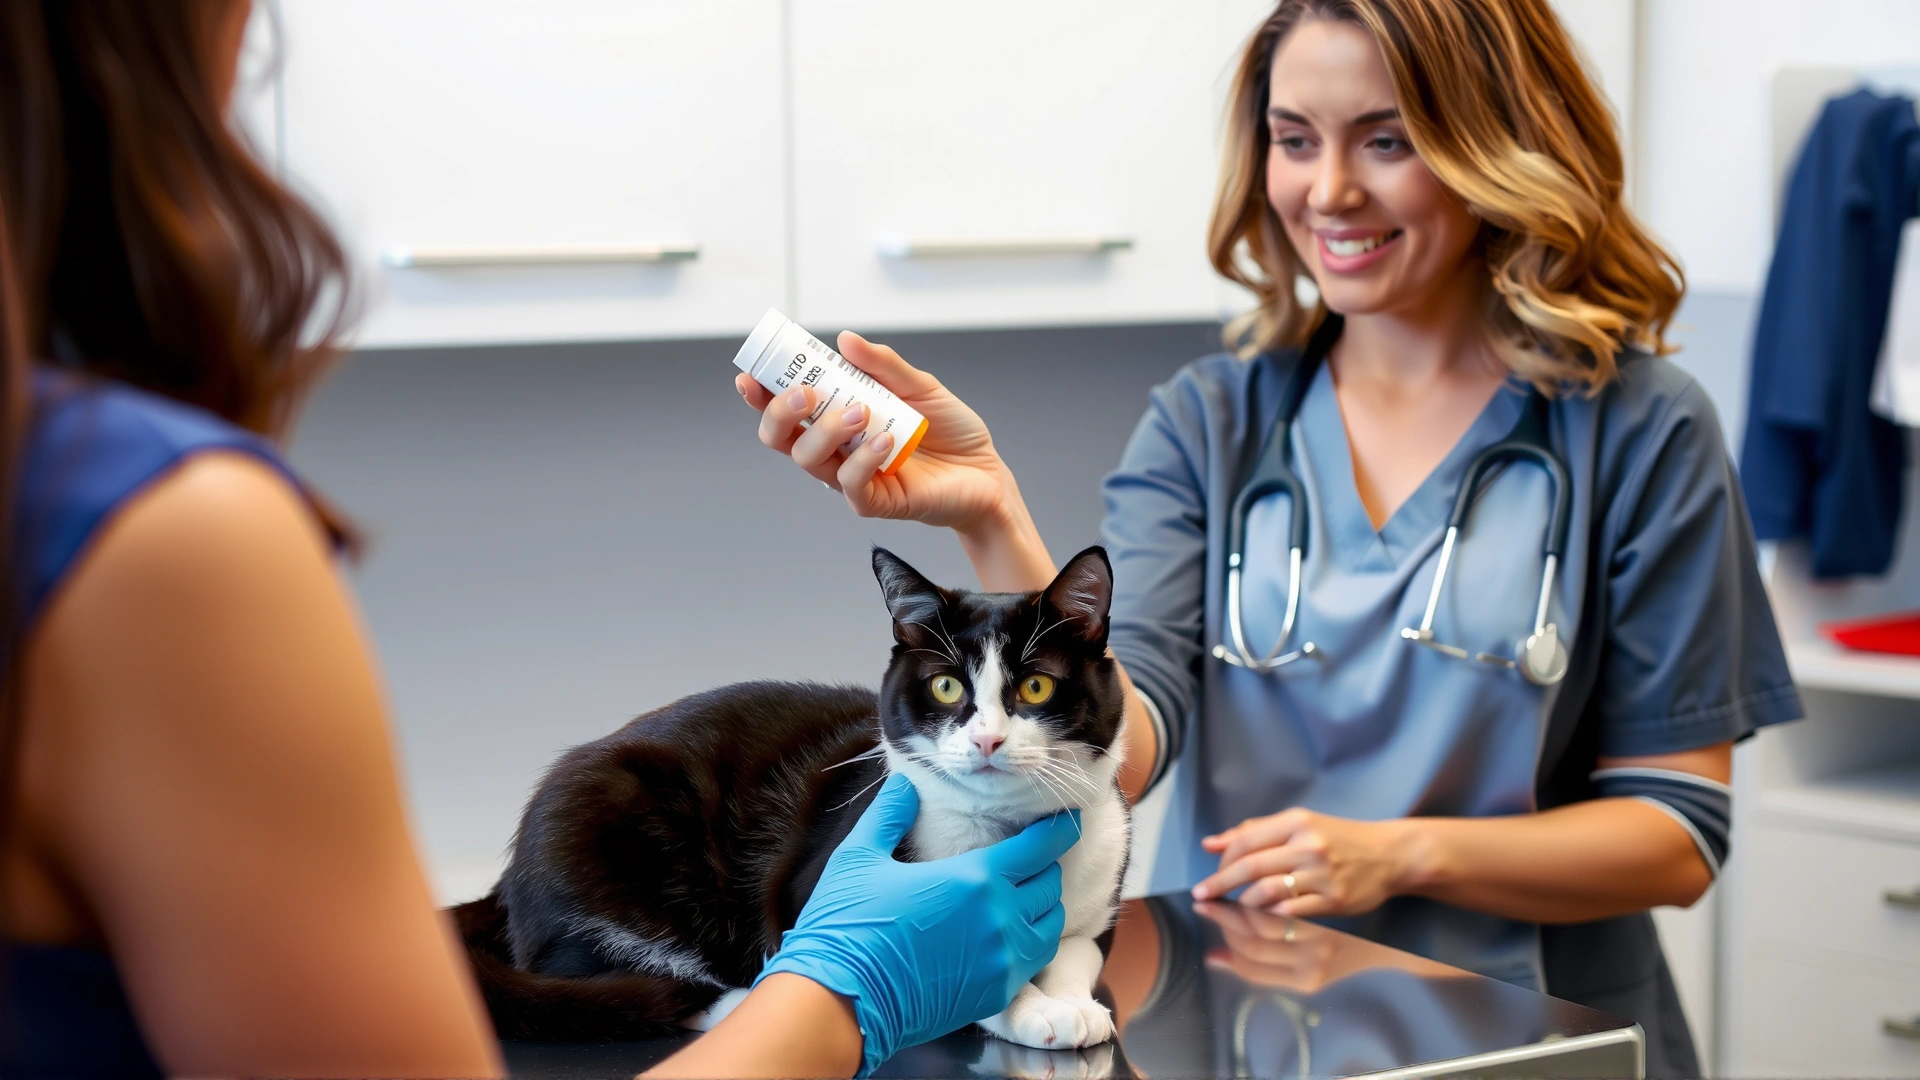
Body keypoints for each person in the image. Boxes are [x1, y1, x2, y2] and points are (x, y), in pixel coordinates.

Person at [0, 3, 1072, 1077]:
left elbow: (1117, 714)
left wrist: (984, 513)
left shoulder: (72, 493)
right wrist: (841, 992)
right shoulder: (165, 535)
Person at [736, 0, 1800, 1073]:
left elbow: (1676, 833)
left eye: (1387, 139)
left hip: (1549, 1038)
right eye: (1295, 140)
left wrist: (1396, 855)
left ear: (1497, 146)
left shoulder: (1643, 429)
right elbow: (1125, 734)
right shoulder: (1210, 424)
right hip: (1259, 1032)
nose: (1327, 190)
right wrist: (988, 512)